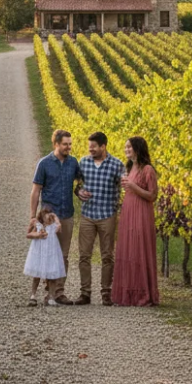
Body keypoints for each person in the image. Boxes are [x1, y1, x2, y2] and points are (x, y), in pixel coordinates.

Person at [30, 129, 82, 304]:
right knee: (47, 254)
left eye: (70, 144)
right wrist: (32, 216)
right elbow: (35, 191)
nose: (69, 147)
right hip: (48, 217)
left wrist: (80, 191)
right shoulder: (44, 163)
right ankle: (49, 288)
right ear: (56, 144)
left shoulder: (73, 162)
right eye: (65, 144)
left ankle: (58, 292)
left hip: (66, 214)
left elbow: (80, 182)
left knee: (63, 255)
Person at [75, 131, 125, 306]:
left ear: (103, 146)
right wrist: (79, 192)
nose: (91, 150)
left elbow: (125, 187)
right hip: (88, 215)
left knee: (107, 256)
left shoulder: (117, 165)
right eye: (89, 147)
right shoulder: (83, 163)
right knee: (84, 255)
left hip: (107, 215)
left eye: (94, 147)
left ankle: (106, 292)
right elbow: (77, 185)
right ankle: (85, 293)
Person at [111, 136, 160, 306]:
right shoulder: (130, 168)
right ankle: (130, 293)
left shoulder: (148, 170)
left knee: (139, 249)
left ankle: (143, 294)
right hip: (129, 211)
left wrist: (134, 188)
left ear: (138, 149)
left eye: (129, 147)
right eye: (125, 147)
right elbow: (131, 190)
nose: (126, 150)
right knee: (129, 249)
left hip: (142, 213)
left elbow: (153, 196)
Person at [24, 207, 66, 306]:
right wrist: (38, 235)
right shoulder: (36, 223)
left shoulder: (54, 224)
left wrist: (56, 219)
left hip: (51, 252)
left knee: (52, 275)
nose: (48, 217)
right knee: (36, 274)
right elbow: (28, 234)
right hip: (39, 251)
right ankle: (33, 295)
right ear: (42, 215)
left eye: (50, 215)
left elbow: (57, 223)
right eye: (46, 215)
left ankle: (51, 296)